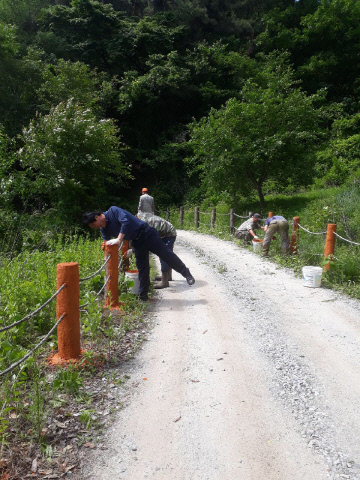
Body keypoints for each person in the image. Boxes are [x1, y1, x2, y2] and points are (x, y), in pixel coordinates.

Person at [83, 207, 195, 301]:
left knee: (166, 255)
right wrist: (106, 253)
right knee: (142, 267)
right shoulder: (104, 229)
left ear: (97, 217)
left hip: (147, 233)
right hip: (136, 241)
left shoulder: (113, 211)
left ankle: (187, 274)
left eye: (94, 225)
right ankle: (143, 295)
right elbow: (106, 243)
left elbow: (125, 221)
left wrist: (118, 239)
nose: (95, 228)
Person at [137, 212, 177, 289]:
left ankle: (165, 281)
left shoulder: (141, 223)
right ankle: (168, 276)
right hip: (165, 232)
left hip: (168, 233)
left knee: (163, 255)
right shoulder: (140, 219)